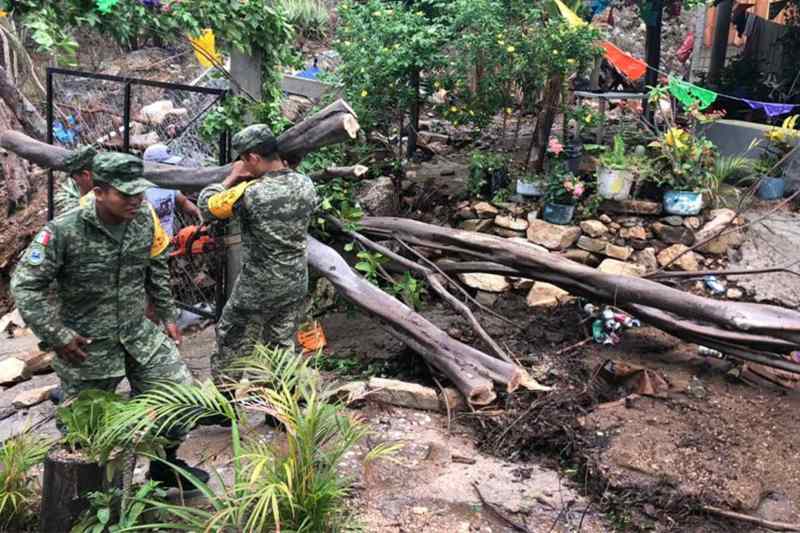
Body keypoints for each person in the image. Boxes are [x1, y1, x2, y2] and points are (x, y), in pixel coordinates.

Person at [11, 153, 209, 488]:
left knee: (180, 397)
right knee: (84, 430)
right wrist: (57, 336)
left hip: (137, 334)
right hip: (88, 346)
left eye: (140, 192)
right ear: (99, 191)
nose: (136, 200)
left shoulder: (143, 220)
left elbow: (156, 264)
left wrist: (165, 311)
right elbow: (25, 285)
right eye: (126, 193)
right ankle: (85, 497)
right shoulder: (64, 230)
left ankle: (164, 466)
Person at [198, 124, 318, 389]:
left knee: (232, 336)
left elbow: (207, 206)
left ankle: (224, 402)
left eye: (243, 159)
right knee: (280, 342)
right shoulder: (306, 184)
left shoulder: (249, 193)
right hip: (295, 280)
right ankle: (279, 408)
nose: (242, 164)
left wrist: (230, 178)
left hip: (258, 285)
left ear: (253, 157)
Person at [142, 143, 201, 236]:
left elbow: (183, 202)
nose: (172, 168)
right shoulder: (141, 190)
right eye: (168, 165)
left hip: (168, 241)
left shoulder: (167, 183)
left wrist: (199, 214)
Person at [54, 145, 96, 214]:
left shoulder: (93, 202)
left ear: (86, 175)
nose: (77, 183)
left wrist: (84, 192)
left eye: (76, 179)